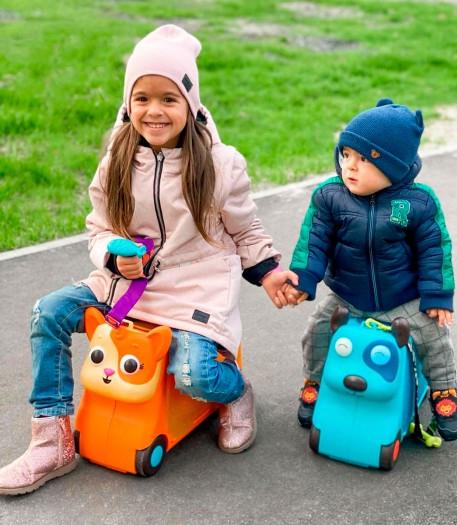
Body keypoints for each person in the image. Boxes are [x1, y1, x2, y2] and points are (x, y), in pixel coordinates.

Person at [0, 24, 298, 495]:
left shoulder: (221, 165)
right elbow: (99, 228)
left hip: (193, 288)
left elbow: (246, 230)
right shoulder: (115, 159)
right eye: (142, 98)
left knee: (194, 374)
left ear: (190, 103)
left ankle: (236, 392)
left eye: (168, 98)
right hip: (124, 287)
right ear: (127, 102)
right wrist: (114, 259)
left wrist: (270, 273)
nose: (154, 111)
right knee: (49, 312)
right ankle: (50, 439)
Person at [283, 98, 457, 442]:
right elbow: (314, 240)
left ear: (394, 167)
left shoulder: (416, 203)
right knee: (317, 331)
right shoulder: (330, 197)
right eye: (347, 154)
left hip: (401, 297)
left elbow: (435, 249)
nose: (350, 166)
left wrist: (437, 294)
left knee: (433, 333)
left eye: (364, 159)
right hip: (347, 294)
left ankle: (444, 391)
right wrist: (303, 280)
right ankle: (316, 381)